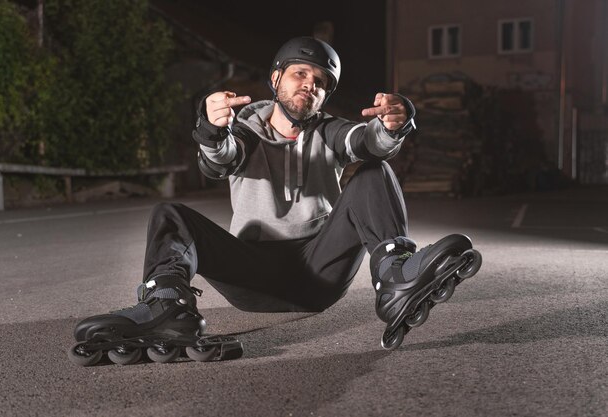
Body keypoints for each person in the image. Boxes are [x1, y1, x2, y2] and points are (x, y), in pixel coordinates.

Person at [68, 36, 482, 366]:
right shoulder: (245, 130)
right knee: (169, 214)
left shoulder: (330, 131)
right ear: (276, 78)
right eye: (300, 73)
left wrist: (395, 125)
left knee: (374, 170)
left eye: (320, 82)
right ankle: (167, 307)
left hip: (320, 271)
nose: (310, 84)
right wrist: (212, 129)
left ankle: (395, 278)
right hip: (252, 274)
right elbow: (220, 158)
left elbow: (366, 141)